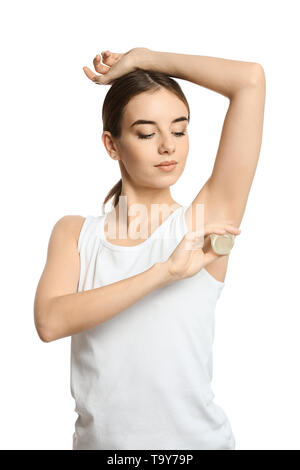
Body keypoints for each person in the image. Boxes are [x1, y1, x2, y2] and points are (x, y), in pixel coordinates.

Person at [33, 48, 266, 450]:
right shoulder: (74, 233)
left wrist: (146, 58)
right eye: (146, 133)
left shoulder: (202, 221)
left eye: (179, 130)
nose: (167, 147)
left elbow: (250, 81)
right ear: (112, 144)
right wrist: (165, 272)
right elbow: (50, 322)